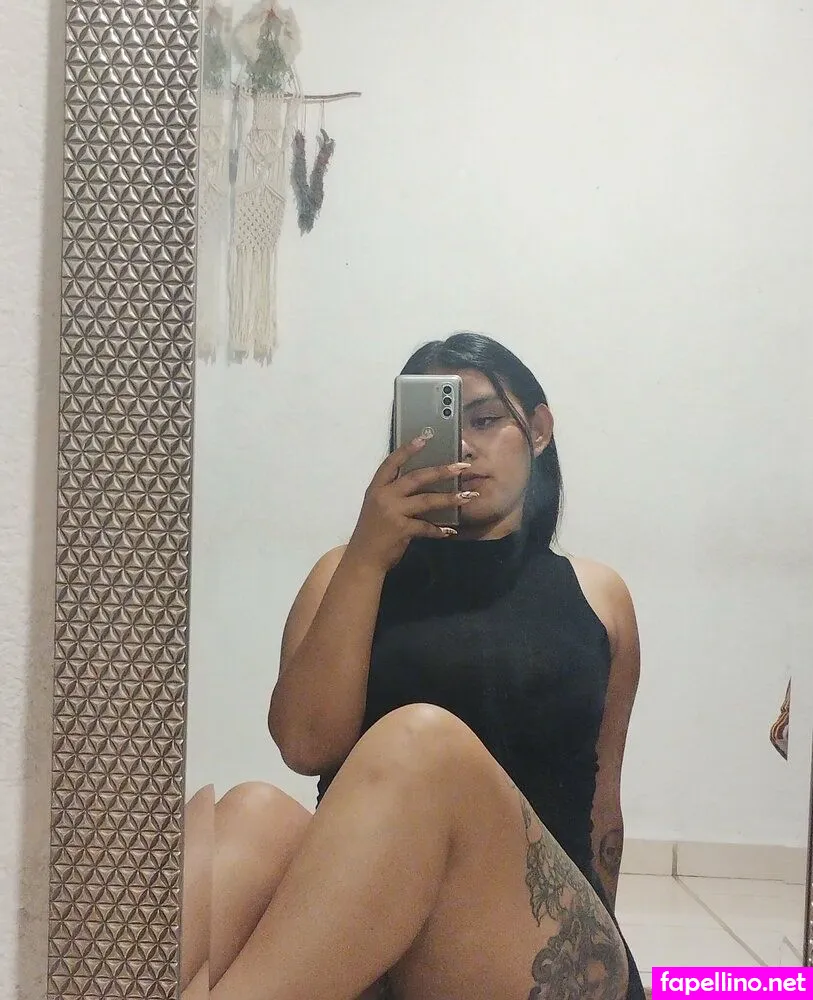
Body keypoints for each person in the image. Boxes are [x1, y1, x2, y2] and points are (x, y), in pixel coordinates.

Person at [181, 332, 645, 1000]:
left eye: (486, 419)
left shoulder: (598, 594)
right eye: (442, 427)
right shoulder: (348, 574)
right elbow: (305, 746)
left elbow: (604, 799)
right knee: (255, 812)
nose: (465, 446)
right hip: (376, 923)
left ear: (539, 430)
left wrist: (604, 957)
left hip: (533, 939)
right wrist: (368, 554)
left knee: (420, 742)